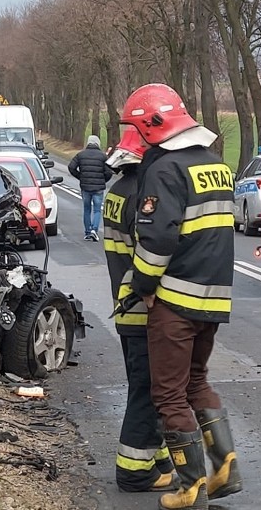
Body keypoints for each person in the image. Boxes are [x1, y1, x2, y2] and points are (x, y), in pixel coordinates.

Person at [120, 83, 241, 509]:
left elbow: (156, 240)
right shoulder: (215, 164)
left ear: (154, 124)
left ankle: (190, 487)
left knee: (169, 395)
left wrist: (143, 288)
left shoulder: (164, 169)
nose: (139, 137)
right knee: (197, 382)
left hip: (174, 300)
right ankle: (225, 464)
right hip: (213, 297)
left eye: (139, 127)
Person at [102, 126, 178, 493]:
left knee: (146, 388)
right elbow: (151, 249)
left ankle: (158, 458)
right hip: (144, 309)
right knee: (147, 392)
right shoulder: (142, 193)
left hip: (124, 305)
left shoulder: (116, 190)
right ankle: (133, 472)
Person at [68, 134, 112, 241]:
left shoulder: (80, 155)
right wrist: (103, 180)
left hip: (85, 187)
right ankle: (94, 230)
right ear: (98, 143)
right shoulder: (103, 156)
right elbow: (109, 172)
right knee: (97, 210)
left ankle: (87, 232)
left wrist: (80, 177)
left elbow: (71, 167)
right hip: (98, 189)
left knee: (87, 209)